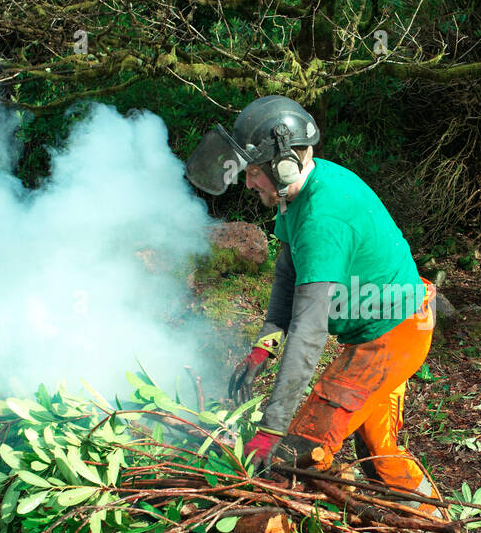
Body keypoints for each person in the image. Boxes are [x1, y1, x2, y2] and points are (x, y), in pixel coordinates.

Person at [185, 95, 441, 510]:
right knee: (379, 455)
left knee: (299, 448)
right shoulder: (295, 194)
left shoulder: (324, 219)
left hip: (393, 335)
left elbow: (309, 332)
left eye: (252, 172)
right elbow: (288, 272)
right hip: (391, 322)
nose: (247, 182)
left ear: (282, 164)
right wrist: (263, 348)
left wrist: (272, 429)